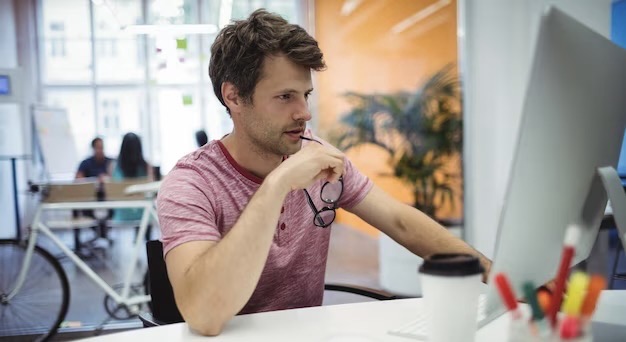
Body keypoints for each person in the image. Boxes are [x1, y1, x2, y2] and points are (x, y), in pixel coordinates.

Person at [157, 9, 492, 336]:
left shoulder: (314, 154)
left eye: (305, 95)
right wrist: (277, 185)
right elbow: (203, 314)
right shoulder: (191, 183)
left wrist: (495, 273)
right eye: (285, 96)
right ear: (233, 97)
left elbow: (400, 221)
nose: (304, 113)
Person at [110, 132, 153, 222]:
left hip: (121, 213)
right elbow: (151, 190)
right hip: (144, 213)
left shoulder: (113, 166)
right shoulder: (146, 166)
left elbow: (112, 192)